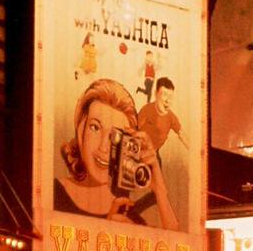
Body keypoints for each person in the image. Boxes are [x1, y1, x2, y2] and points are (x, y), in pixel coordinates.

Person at [55, 79, 179, 230]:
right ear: (81, 129)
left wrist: (159, 187)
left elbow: (176, 248)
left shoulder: (126, 214)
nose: (103, 147)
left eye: (114, 137)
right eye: (95, 127)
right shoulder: (53, 193)